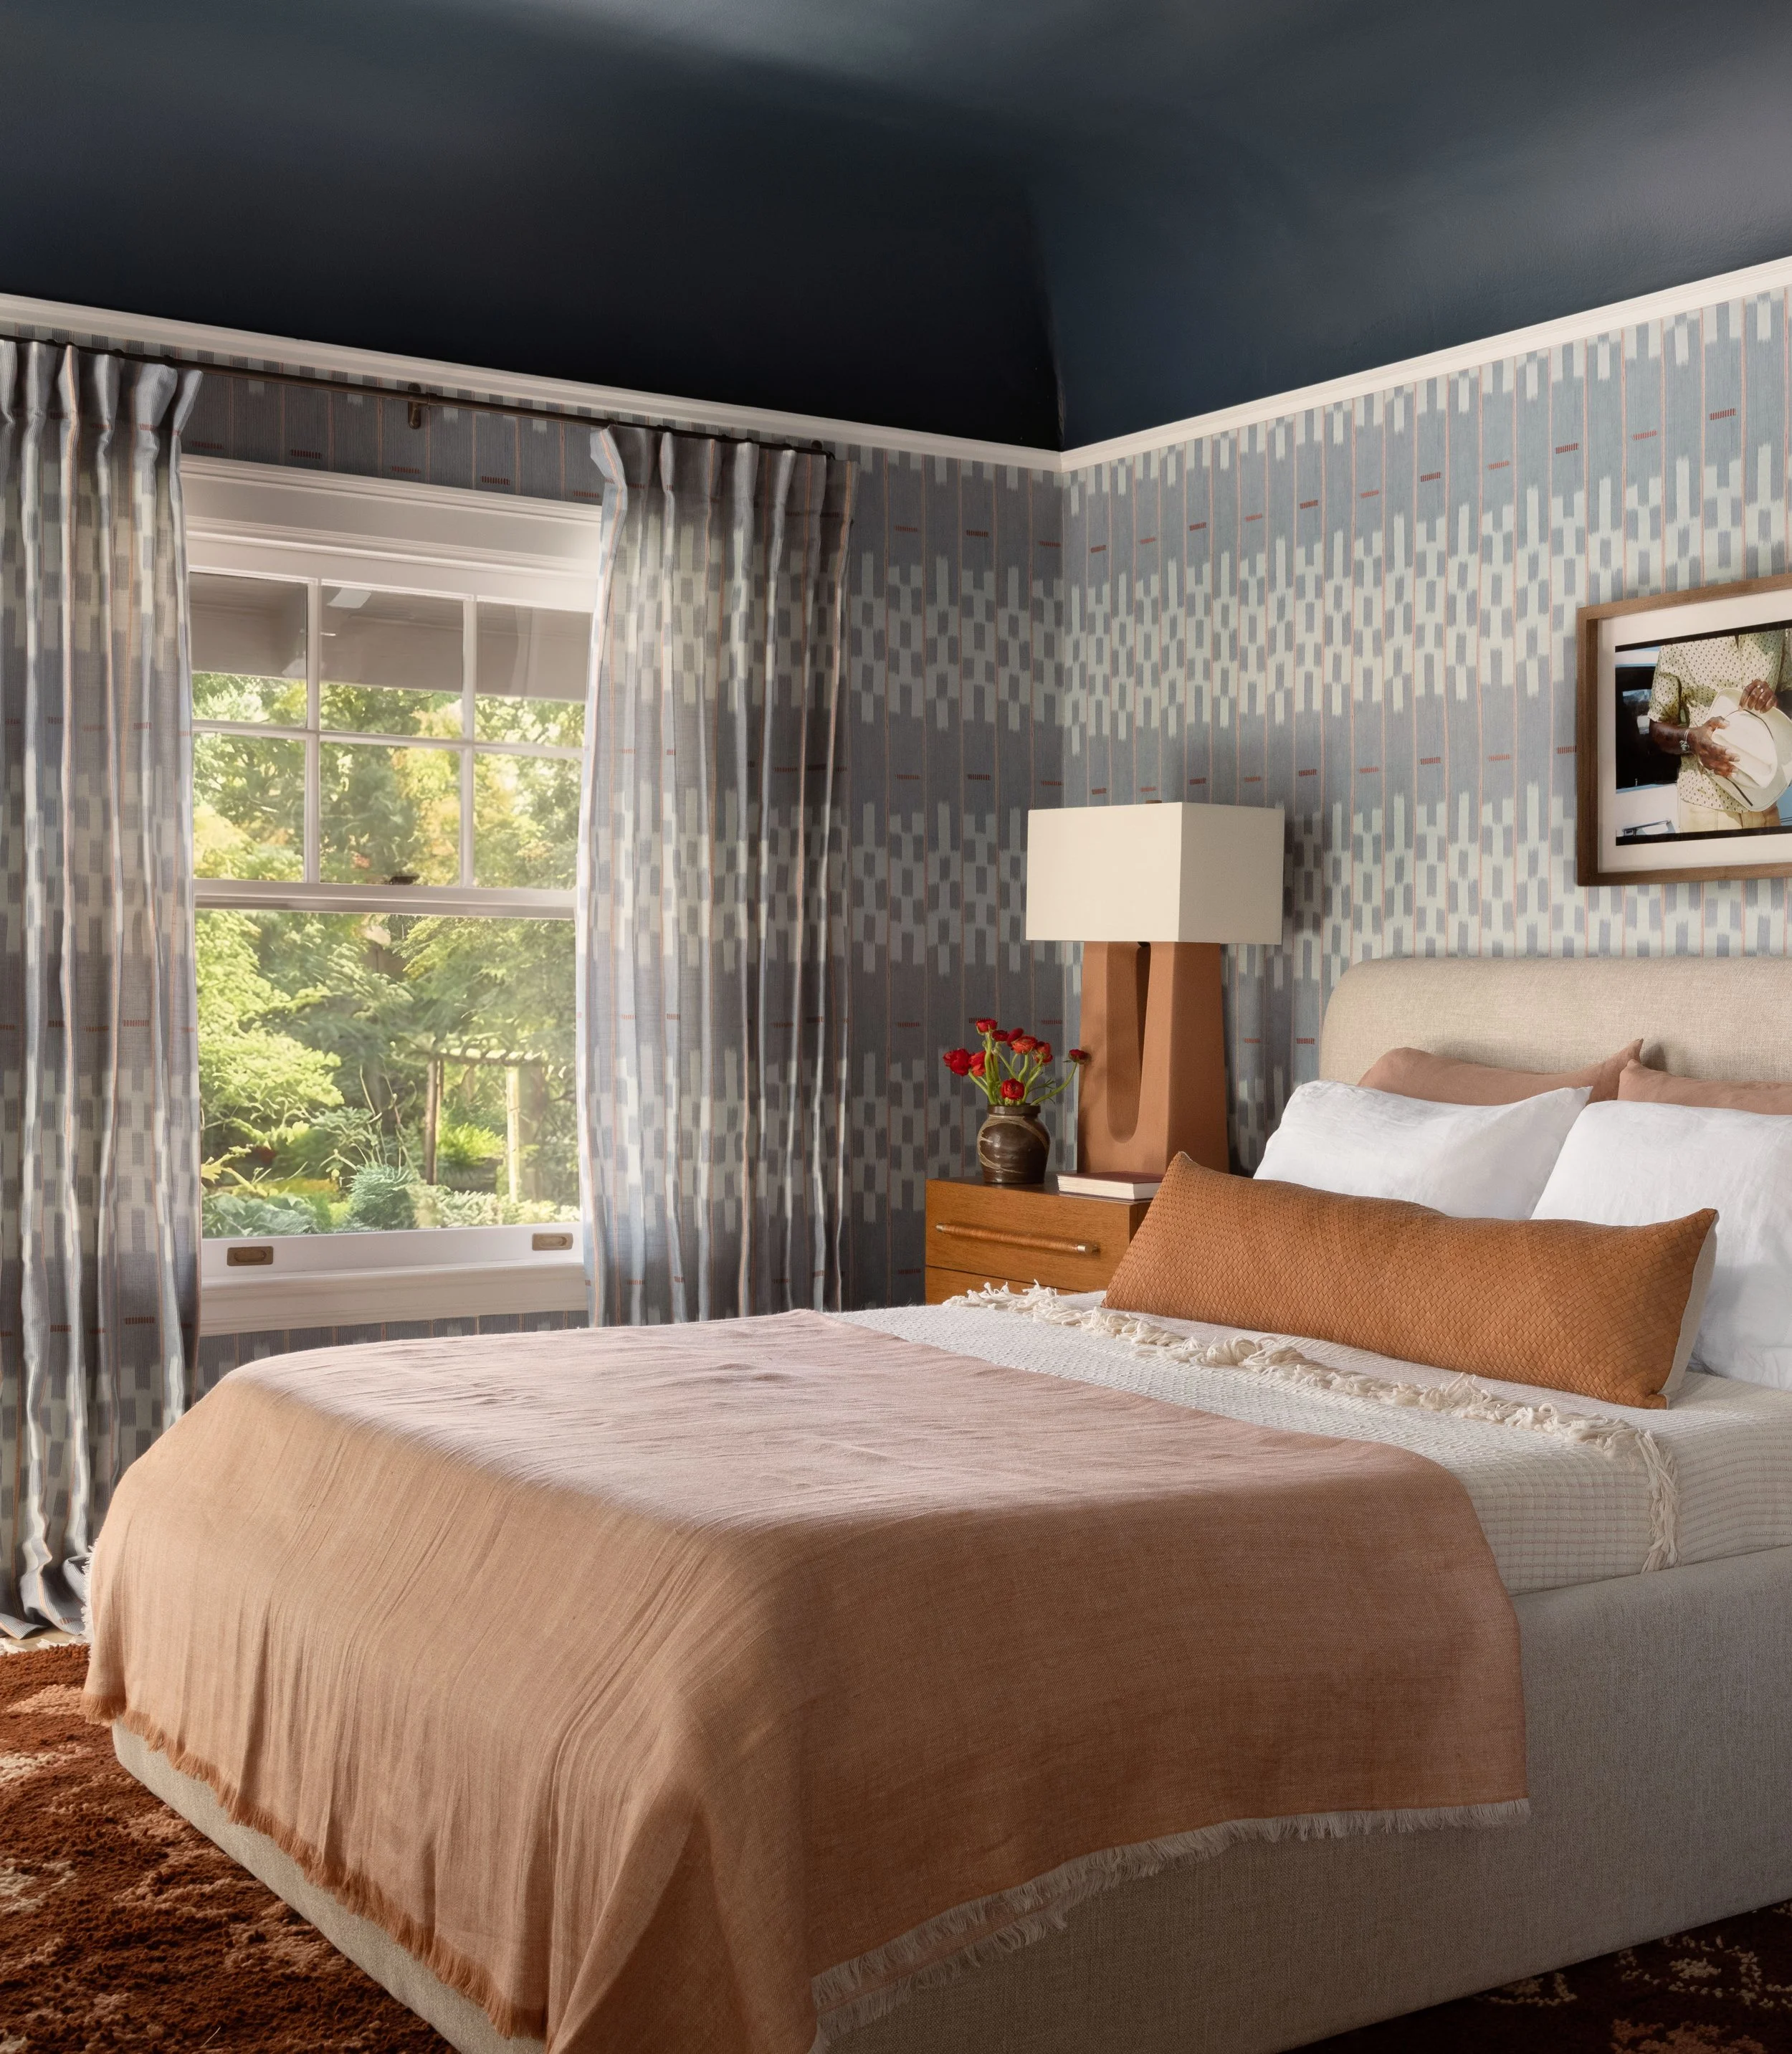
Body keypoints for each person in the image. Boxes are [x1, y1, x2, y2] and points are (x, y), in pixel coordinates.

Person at [1648, 630, 1790, 832]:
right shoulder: (1678, 634)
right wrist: (1693, 741)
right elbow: (1657, 729)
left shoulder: (1780, 630)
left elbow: (1789, 696)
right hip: (1706, 806)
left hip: (1766, 801)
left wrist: (1775, 701)